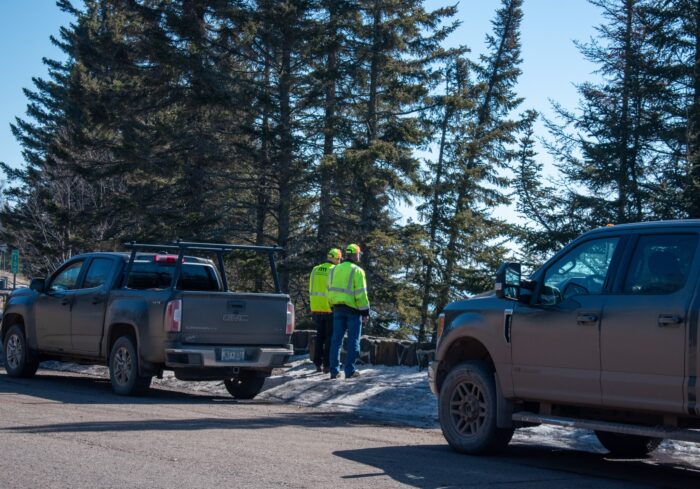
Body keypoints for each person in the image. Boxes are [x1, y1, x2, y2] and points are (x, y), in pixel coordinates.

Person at [327, 243, 370, 379]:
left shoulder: (334, 270)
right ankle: (349, 371)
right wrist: (365, 311)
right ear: (356, 255)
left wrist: (332, 305)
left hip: (337, 309)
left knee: (336, 341)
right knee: (353, 341)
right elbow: (361, 294)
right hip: (353, 311)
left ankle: (334, 371)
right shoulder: (357, 271)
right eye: (359, 254)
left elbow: (328, 289)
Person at [308, 248, 342, 373]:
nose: (339, 262)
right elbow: (335, 289)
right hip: (329, 308)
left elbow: (310, 287)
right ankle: (327, 365)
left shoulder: (315, 269)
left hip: (316, 308)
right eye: (339, 259)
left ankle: (317, 363)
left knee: (319, 337)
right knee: (329, 338)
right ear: (336, 258)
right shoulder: (334, 270)